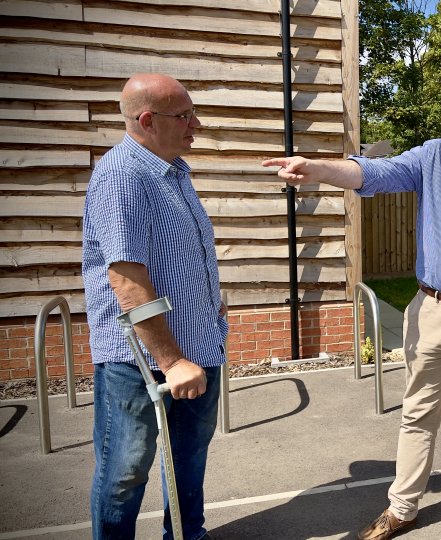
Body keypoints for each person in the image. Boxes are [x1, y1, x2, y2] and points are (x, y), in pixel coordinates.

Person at [263, 62, 441, 540]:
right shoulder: (433, 157)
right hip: (432, 309)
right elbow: (373, 172)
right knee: (418, 413)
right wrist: (317, 168)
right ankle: (403, 507)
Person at [83, 73, 227, 540]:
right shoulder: (122, 176)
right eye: (184, 115)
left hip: (198, 348)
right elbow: (126, 280)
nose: (196, 124)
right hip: (143, 360)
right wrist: (171, 360)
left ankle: (187, 536)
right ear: (147, 120)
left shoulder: (174, 171)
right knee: (125, 472)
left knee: (187, 459)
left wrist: (209, 305)